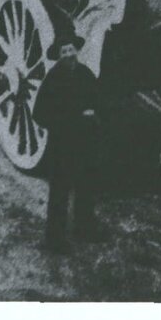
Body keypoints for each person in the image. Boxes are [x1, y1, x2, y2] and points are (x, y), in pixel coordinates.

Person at [33, 33, 104, 252]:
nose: (69, 54)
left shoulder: (85, 74)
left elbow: (99, 99)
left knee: (86, 185)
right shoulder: (52, 80)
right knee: (60, 191)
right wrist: (70, 119)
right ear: (59, 56)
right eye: (64, 52)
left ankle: (84, 227)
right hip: (62, 144)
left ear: (77, 51)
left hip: (84, 141)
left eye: (71, 50)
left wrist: (95, 113)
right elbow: (39, 114)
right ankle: (54, 239)